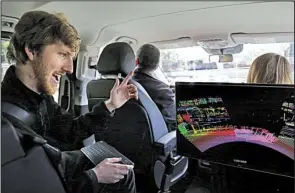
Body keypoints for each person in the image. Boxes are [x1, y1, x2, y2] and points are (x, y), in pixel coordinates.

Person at [1, 11, 138, 193]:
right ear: (31, 50)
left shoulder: (41, 98)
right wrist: (93, 177)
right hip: (51, 177)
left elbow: (71, 131)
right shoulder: (6, 119)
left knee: (122, 168)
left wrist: (111, 104)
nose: (69, 68)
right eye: (62, 54)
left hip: (56, 163)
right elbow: (33, 183)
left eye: (71, 58)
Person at [133, 44, 176, 131]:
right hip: (159, 140)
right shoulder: (163, 91)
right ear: (157, 65)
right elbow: (174, 122)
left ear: (136, 61)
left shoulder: (122, 85)